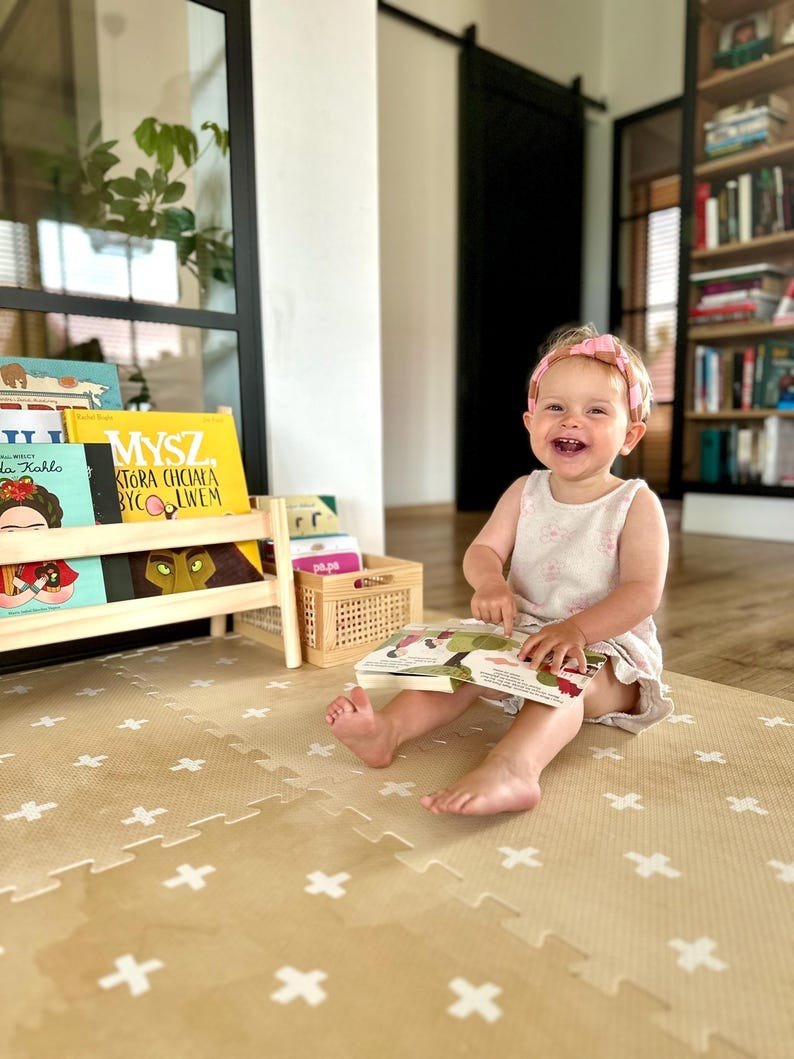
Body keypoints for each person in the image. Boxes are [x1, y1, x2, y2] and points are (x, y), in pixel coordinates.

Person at [325, 325, 672, 816]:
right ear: (531, 422)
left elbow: (642, 592)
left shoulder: (634, 503)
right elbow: (482, 550)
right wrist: (490, 581)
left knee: (562, 679)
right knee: (456, 664)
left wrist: (574, 629)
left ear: (630, 436)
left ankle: (514, 769)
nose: (572, 421)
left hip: (606, 654)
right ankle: (387, 731)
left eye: (596, 410)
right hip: (523, 637)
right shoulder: (524, 491)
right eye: (556, 408)